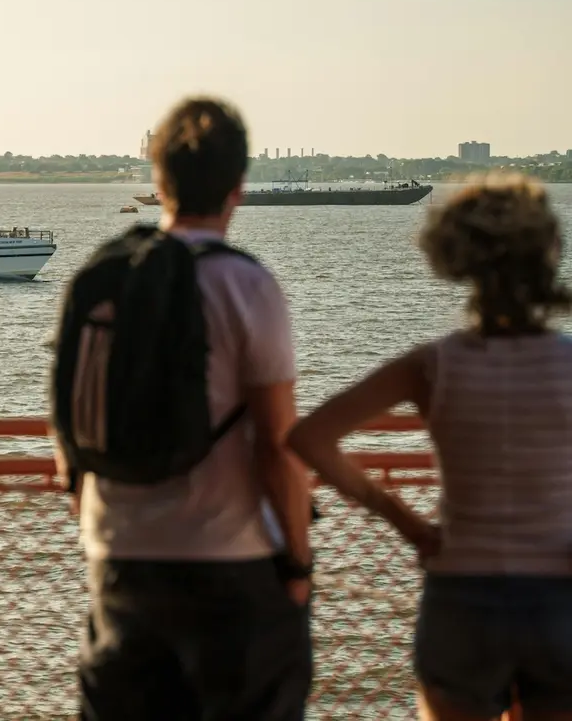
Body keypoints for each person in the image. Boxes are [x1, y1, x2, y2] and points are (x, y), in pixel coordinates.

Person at [289, 174, 572, 721]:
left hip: (462, 596)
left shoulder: (435, 364)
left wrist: (408, 524)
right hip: (560, 598)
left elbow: (311, 437)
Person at [71, 97, 313, 720]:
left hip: (122, 565)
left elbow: (69, 433)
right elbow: (278, 446)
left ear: (159, 180)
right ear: (239, 187)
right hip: (230, 569)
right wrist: (296, 563)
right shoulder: (247, 285)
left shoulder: (101, 278)